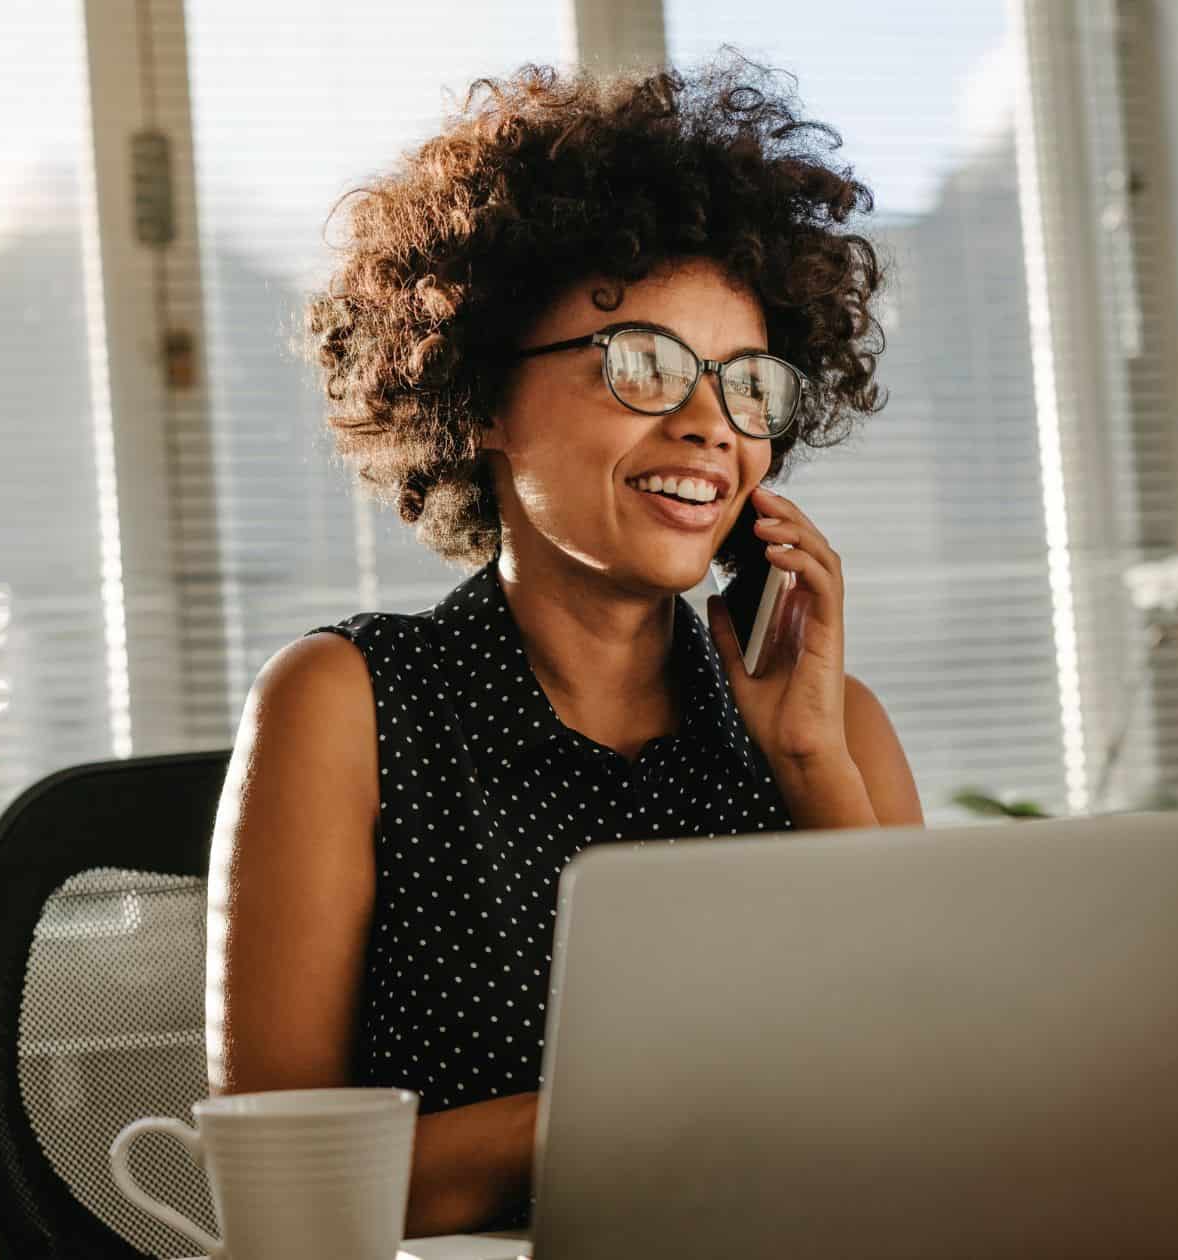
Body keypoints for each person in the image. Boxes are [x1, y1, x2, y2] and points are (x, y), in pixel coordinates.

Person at [203, 52, 925, 1238]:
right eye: (641, 364)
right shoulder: (345, 704)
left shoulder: (828, 727)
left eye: (747, 384)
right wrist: (661, 1110)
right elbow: (285, 1190)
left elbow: (938, 1106)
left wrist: (809, 771)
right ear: (479, 396)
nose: (707, 423)